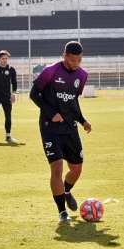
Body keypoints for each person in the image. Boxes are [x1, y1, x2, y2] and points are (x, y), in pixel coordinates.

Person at [29, 41, 92, 222]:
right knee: (56, 168)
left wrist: (82, 120)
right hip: (50, 128)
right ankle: (62, 212)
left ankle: (66, 191)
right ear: (64, 56)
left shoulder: (82, 75)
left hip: (69, 128)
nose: (75, 63)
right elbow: (34, 94)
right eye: (72, 60)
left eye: (78, 60)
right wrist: (51, 113)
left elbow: (73, 102)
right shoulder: (50, 71)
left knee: (76, 169)